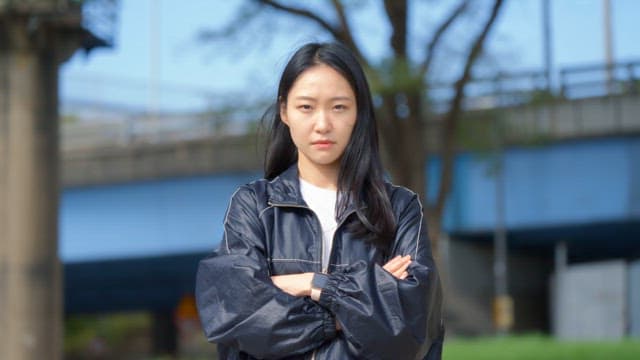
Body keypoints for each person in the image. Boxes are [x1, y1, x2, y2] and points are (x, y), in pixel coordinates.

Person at [195, 42, 444, 359]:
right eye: (306, 107)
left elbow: (410, 332)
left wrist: (314, 284)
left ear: (358, 112)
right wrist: (360, 305)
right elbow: (240, 316)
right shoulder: (255, 207)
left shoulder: (399, 209)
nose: (323, 124)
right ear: (285, 111)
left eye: (339, 107)